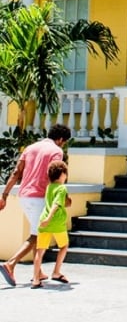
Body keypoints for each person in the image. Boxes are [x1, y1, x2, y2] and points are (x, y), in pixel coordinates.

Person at [0, 123, 71, 286]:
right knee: (37, 234)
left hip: (24, 196)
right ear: (60, 139)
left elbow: (16, 172)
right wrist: (63, 197)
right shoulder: (56, 151)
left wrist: (4, 194)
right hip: (40, 197)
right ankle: (11, 264)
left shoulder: (30, 148)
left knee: (37, 230)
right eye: (64, 142)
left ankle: (38, 272)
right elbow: (55, 175)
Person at [31, 160, 71, 289]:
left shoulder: (49, 187)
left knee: (40, 251)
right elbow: (56, 204)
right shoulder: (62, 188)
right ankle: (56, 272)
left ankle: (36, 279)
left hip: (43, 222)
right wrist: (49, 218)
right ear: (62, 174)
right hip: (57, 222)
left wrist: (46, 219)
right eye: (65, 173)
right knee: (64, 246)